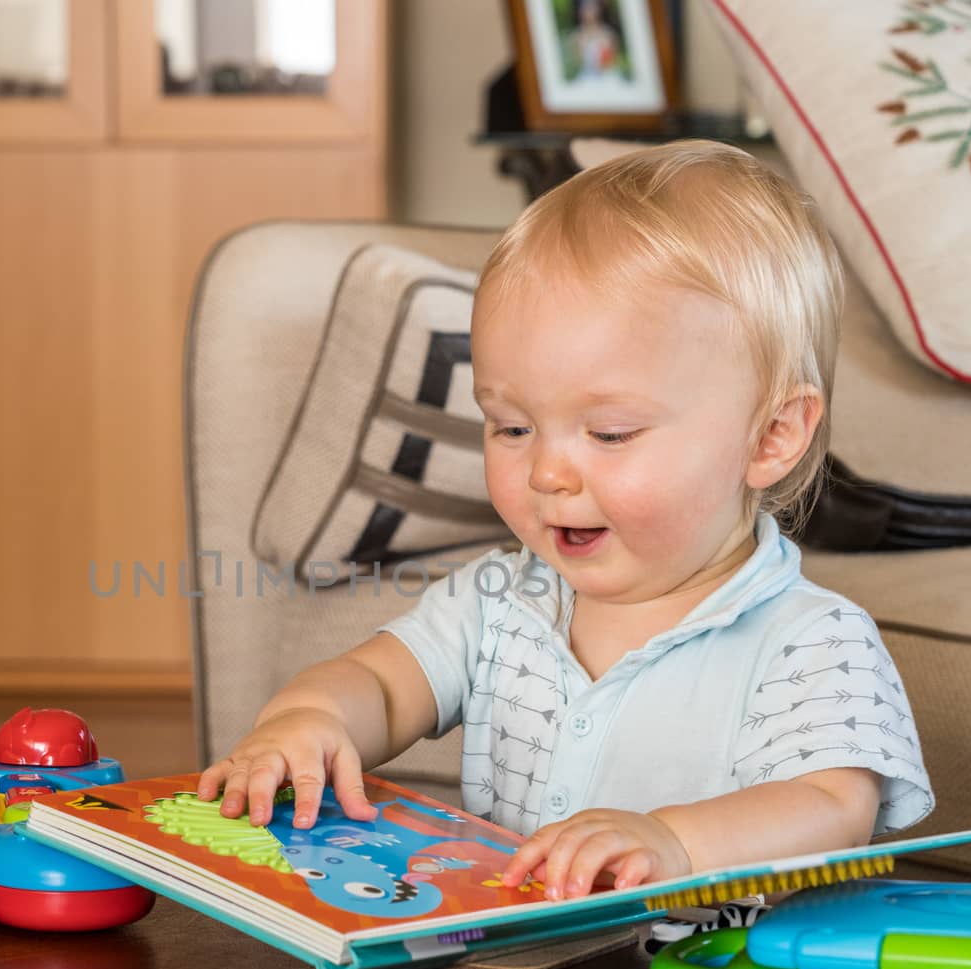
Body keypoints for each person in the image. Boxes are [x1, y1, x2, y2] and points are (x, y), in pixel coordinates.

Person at [197, 140, 933, 901]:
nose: (547, 474)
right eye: (511, 428)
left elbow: (831, 806)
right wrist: (309, 719)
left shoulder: (814, 641)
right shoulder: (496, 602)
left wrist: (673, 842)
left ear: (772, 435)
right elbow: (379, 687)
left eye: (610, 434)